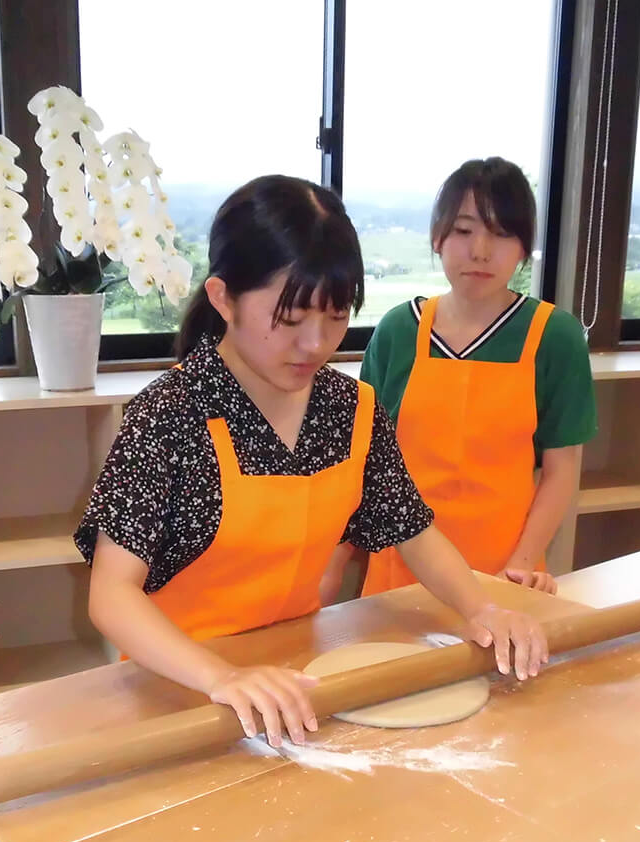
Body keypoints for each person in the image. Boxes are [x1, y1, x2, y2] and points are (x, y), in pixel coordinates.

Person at [75, 175, 550, 750]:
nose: (316, 344)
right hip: (177, 683)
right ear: (224, 298)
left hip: (293, 676)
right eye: (290, 319)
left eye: (334, 317)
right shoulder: (168, 416)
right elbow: (112, 594)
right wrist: (221, 677)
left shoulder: (349, 408)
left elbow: (412, 530)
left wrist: (483, 609)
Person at [327, 157, 596, 599]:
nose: (481, 251)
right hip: (401, 571)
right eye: (464, 230)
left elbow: (560, 470)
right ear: (438, 238)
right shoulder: (399, 330)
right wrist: (336, 562)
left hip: (504, 571)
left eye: (502, 233)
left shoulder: (555, 337)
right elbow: (364, 464)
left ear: (524, 248)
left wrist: (522, 564)